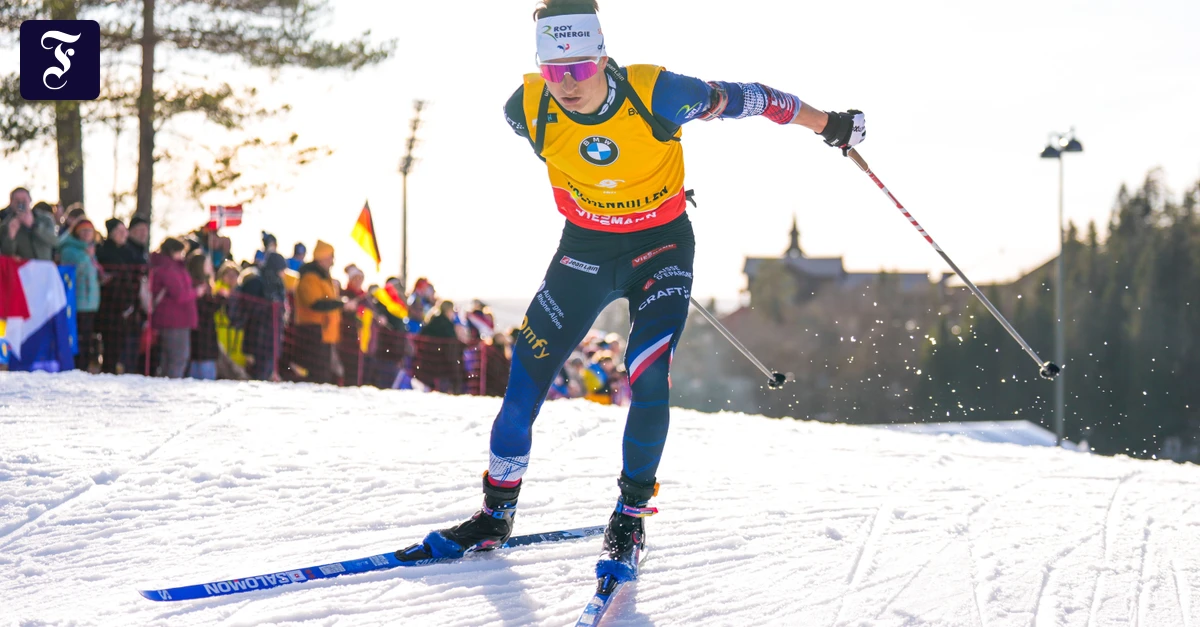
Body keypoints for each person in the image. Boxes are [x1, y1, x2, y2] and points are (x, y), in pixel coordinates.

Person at [396, 0, 867, 581]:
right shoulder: (525, 109)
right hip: (585, 252)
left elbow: (755, 98)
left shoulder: (659, 94)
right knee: (523, 386)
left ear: (602, 57)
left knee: (647, 376)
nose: (567, 83)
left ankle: (630, 516)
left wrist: (828, 124)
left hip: (660, 251)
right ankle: (495, 515)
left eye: (579, 67)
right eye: (553, 69)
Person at [150, 237, 201, 378]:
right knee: (178, 358)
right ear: (173, 251)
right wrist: (196, 292)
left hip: (172, 319)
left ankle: (166, 384)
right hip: (175, 321)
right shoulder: (169, 269)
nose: (182, 255)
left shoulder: (166, 266)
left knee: (168, 360)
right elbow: (180, 294)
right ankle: (172, 386)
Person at [292, 240, 342, 384]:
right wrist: (340, 304)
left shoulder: (324, 277)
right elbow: (315, 303)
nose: (332, 261)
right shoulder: (310, 277)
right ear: (322, 257)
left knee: (323, 374)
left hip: (324, 332)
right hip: (313, 330)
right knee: (316, 374)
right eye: (331, 257)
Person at [59, 219, 101, 371]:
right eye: (83, 231)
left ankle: (84, 367)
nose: (87, 234)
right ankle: (75, 367)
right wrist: (87, 256)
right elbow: (73, 272)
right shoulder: (69, 250)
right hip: (76, 302)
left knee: (87, 339)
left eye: (89, 231)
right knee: (78, 337)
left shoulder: (90, 250)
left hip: (91, 302)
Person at [238, 252, 288, 381]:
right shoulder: (256, 282)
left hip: (271, 337)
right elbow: (249, 308)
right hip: (258, 337)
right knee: (258, 373)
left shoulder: (277, 284)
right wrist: (268, 305)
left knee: (266, 371)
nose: (283, 273)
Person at [186, 252, 224, 380]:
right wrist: (221, 298)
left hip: (203, 338)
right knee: (204, 375)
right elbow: (205, 310)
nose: (211, 266)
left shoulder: (205, 285)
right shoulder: (197, 286)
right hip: (202, 338)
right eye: (208, 264)